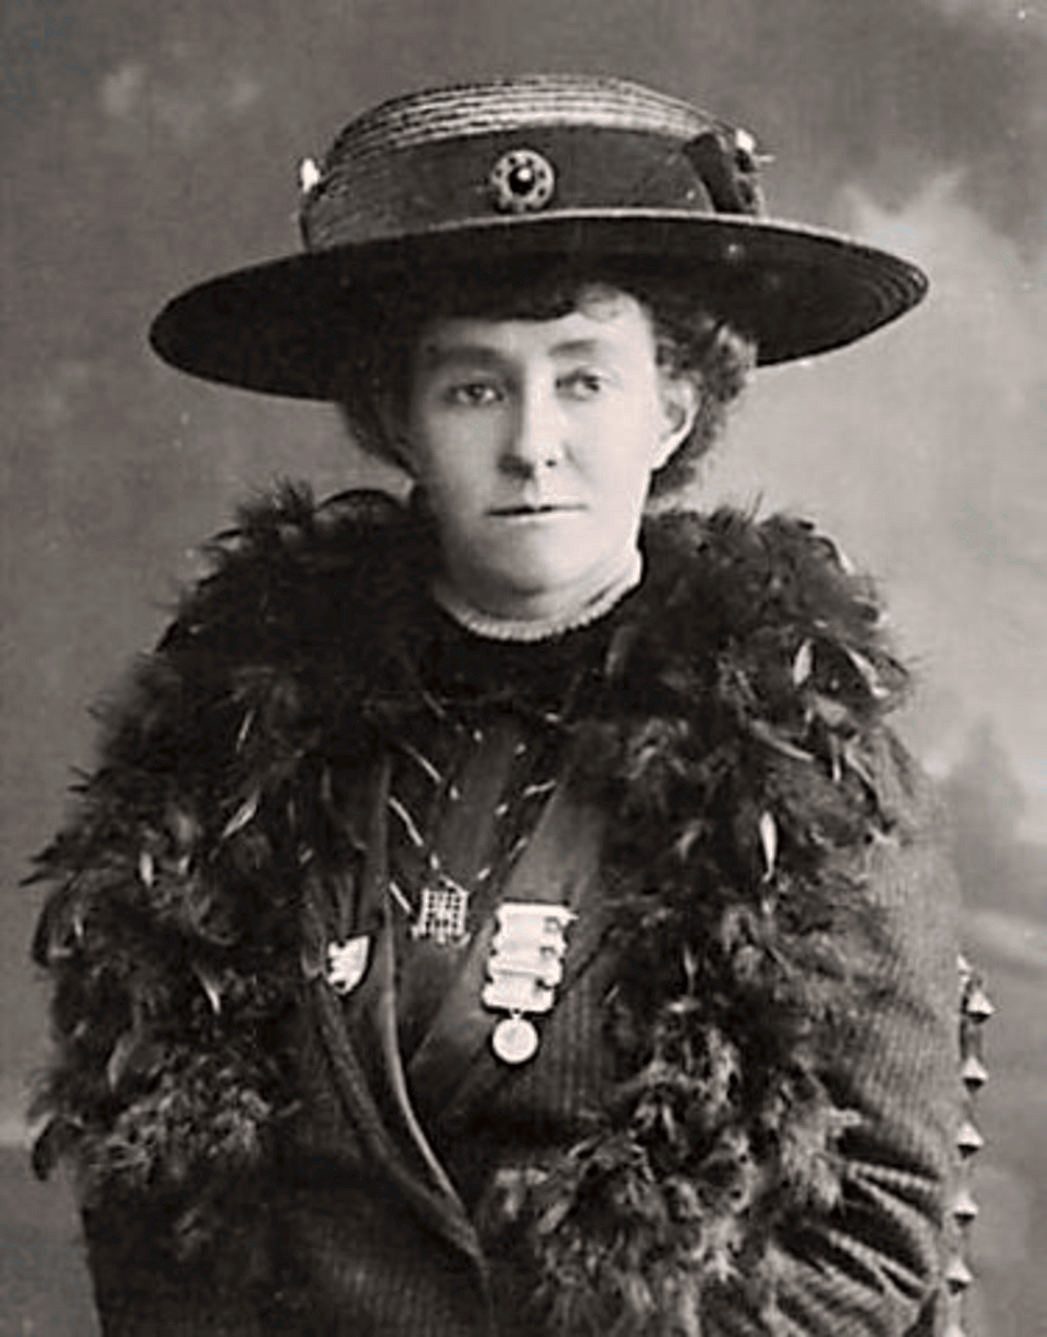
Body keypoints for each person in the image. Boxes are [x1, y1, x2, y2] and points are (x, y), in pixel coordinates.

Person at [29, 76, 964, 1336]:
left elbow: (873, 1221)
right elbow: (148, 1185)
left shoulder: (804, 754)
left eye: (584, 381)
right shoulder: (231, 741)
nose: (533, 443)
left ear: (671, 408)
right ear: (400, 423)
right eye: (475, 388)